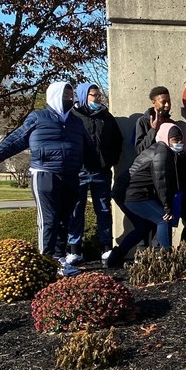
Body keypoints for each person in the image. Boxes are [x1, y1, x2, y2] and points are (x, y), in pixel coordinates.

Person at [0, 81, 92, 276]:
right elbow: (17, 138)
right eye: (65, 95)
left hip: (70, 176)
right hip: (44, 174)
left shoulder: (76, 122)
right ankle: (46, 260)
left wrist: (96, 165)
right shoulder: (37, 117)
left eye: (71, 95)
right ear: (54, 96)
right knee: (49, 220)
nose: (69, 99)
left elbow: (88, 148)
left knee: (64, 220)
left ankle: (60, 260)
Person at [105, 123, 185, 268]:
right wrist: (167, 208)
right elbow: (162, 182)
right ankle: (167, 261)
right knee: (163, 219)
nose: (179, 143)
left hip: (125, 192)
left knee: (143, 228)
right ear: (166, 138)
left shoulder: (161, 150)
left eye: (180, 139)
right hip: (134, 193)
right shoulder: (162, 153)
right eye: (175, 139)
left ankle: (114, 259)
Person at [67, 83, 123, 265]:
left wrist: (110, 160)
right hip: (78, 172)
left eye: (99, 95)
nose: (98, 99)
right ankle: (75, 250)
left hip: (101, 172)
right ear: (84, 96)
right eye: (94, 95)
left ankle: (106, 248)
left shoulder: (106, 117)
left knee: (104, 210)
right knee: (76, 211)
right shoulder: (72, 116)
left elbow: (117, 140)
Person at [133, 85, 176, 154]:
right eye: (163, 102)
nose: (167, 105)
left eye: (169, 101)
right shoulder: (143, 121)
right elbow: (139, 149)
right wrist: (153, 130)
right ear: (154, 102)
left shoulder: (171, 123)